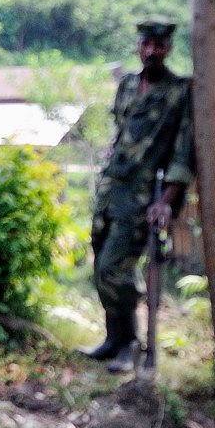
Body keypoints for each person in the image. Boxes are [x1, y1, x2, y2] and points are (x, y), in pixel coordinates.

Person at [84, 20, 194, 372]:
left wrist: (166, 201)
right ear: (138, 46)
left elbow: (183, 152)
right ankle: (114, 339)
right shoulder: (128, 84)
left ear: (168, 49)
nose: (151, 52)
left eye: (158, 45)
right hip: (111, 187)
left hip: (142, 195)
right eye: (146, 44)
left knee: (114, 267)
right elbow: (120, 131)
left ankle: (131, 344)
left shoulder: (179, 92)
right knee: (100, 262)